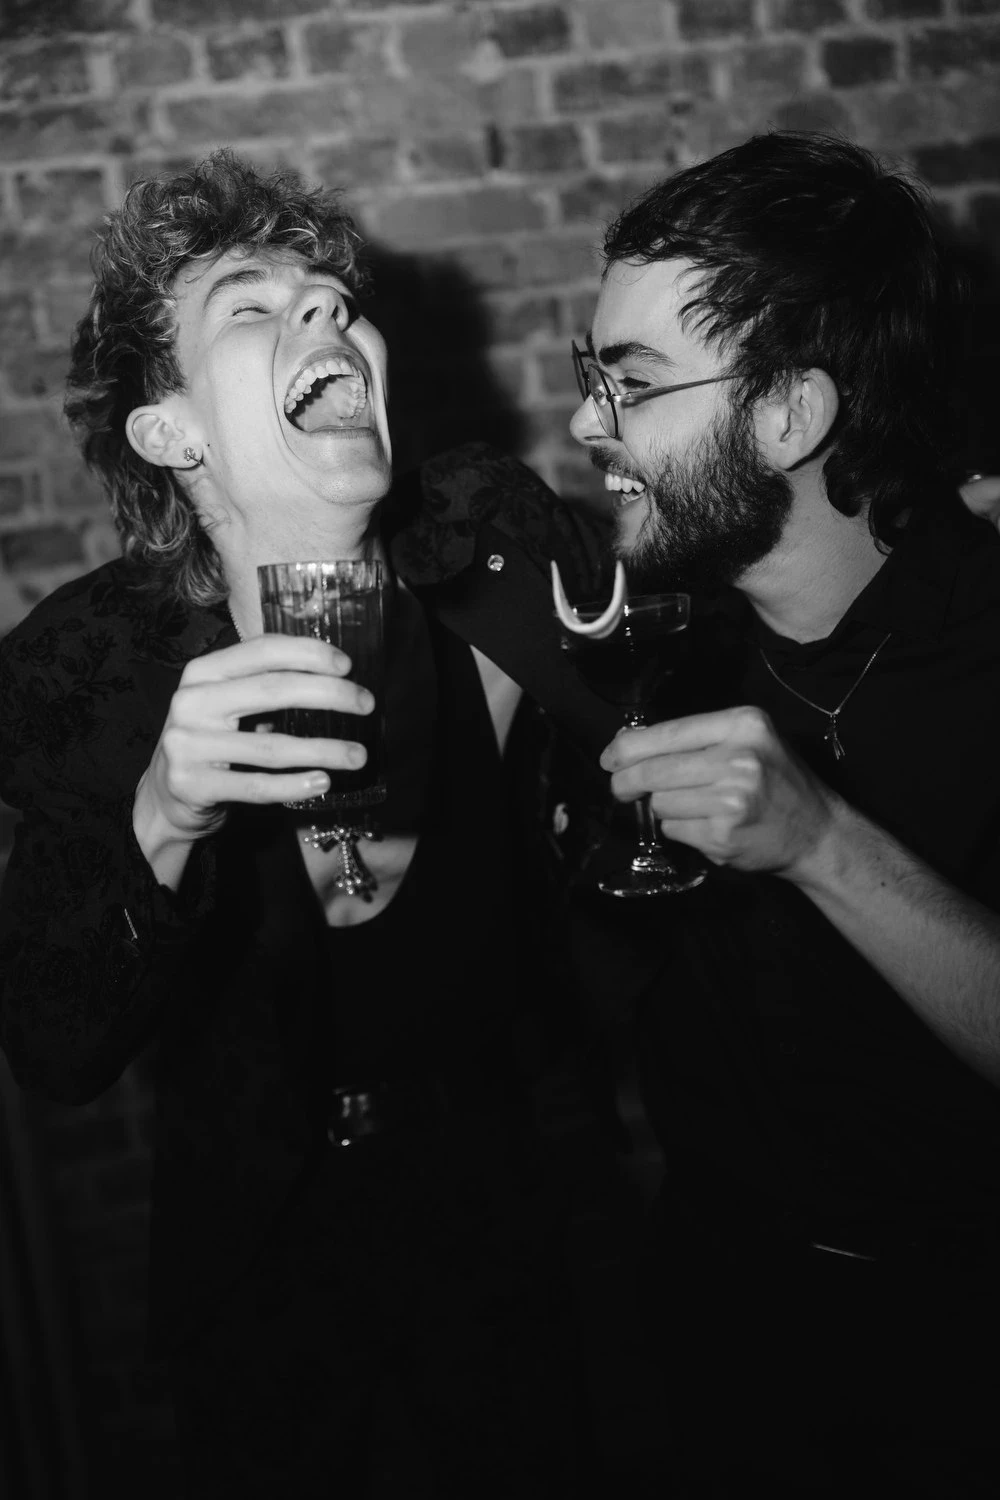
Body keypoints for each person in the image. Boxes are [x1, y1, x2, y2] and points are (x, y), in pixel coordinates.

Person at [0, 150, 619, 1497]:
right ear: (171, 432)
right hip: (264, 1276)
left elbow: (669, 665)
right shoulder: (84, 676)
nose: (326, 311)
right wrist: (165, 813)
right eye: (252, 304)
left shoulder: (491, 549)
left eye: (332, 297)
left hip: (508, 1231)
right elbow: (52, 1048)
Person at [565, 130, 1000, 1495]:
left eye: (633, 383)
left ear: (789, 416)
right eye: (594, 377)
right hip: (721, 1341)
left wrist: (822, 844)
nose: (588, 425)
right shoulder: (666, 656)